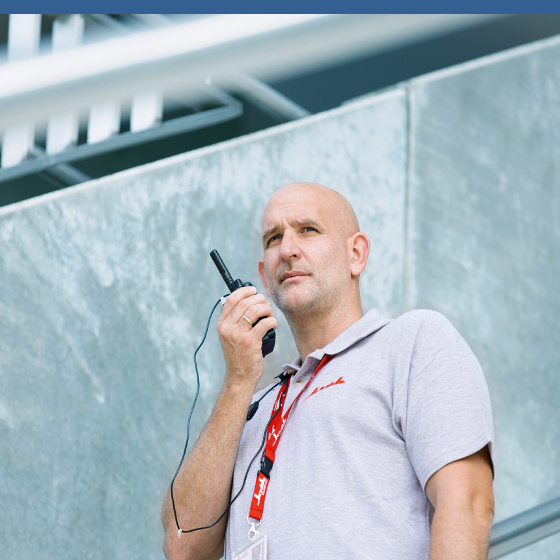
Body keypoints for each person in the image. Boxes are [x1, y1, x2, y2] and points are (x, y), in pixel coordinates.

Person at [162, 182, 495, 560]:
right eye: (273, 238)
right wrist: (238, 383)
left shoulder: (411, 341)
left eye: (308, 229)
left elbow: (466, 502)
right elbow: (182, 544)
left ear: (355, 254)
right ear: (264, 277)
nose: (287, 249)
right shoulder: (248, 409)